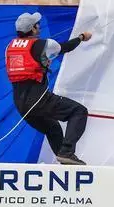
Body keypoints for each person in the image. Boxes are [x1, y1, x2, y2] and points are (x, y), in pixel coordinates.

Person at [6, 12, 92, 165]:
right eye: (37, 25)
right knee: (79, 111)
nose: (39, 27)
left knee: (52, 127)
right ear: (33, 29)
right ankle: (67, 152)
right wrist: (81, 37)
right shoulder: (44, 45)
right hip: (38, 99)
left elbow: (29, 61)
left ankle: (66, 161)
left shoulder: (9, 47)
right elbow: (65, 47)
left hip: (20, 105)